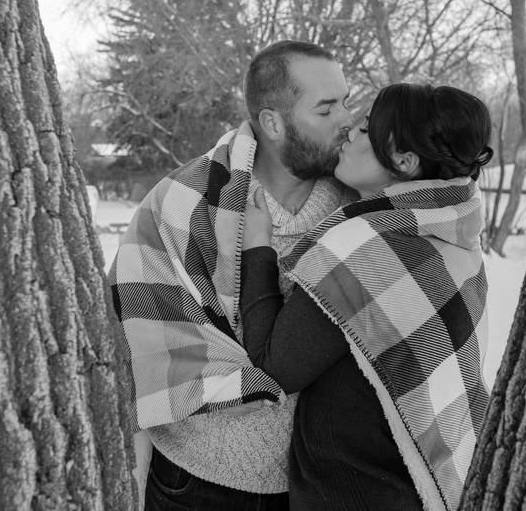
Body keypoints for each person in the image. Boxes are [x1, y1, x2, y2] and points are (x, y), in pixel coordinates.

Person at [108, 40, 356, 511]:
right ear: (273, 123)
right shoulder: (182, 201)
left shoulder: (361, 207)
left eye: (346, 101)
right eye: (326, 108)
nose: (347, 119)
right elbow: (138, 334)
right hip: (197, 481)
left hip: (317, 486)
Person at [239, 83, 494, 511]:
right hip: (413, 485)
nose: (349, 134)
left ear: (404, 161)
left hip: (355, 494)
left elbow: (273, 367)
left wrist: (256, 248)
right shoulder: (453, 237)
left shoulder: (367, 248)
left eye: (365, 129)